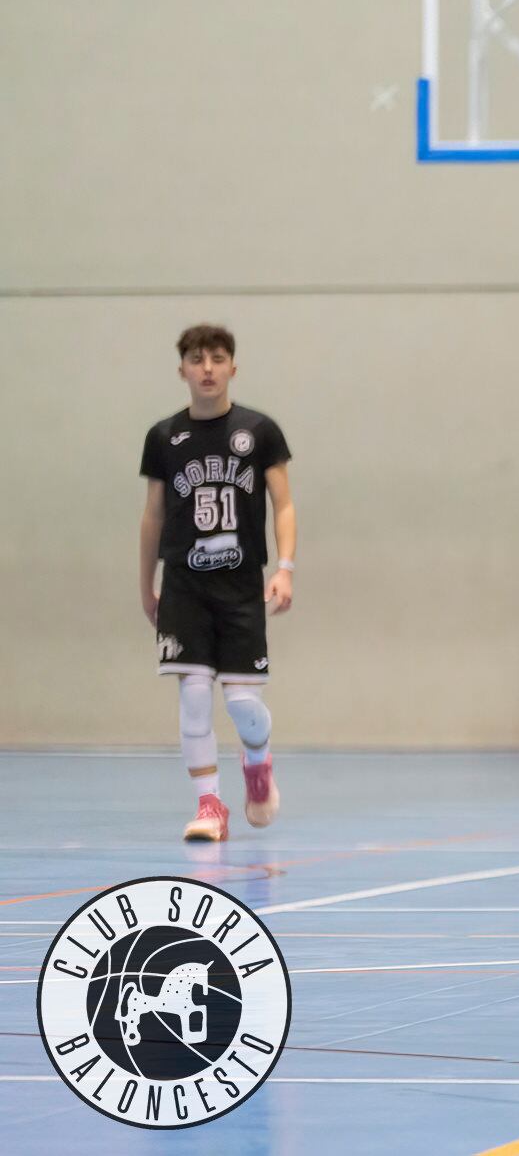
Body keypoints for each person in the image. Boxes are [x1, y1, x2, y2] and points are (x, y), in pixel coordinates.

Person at [139, 324, 293, 843]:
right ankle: (209, 806)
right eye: (197, 359)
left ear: (233, 367)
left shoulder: (260, 431)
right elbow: (153, 517)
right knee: (196, 700)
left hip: (241, 587)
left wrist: (285, 569)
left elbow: (284, 504)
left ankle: (258, 765)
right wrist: (146, 586)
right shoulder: (164, 437)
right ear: (181, 368)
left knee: (244, 706)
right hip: (184, 587)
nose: (207, 367)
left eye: (218, 358)